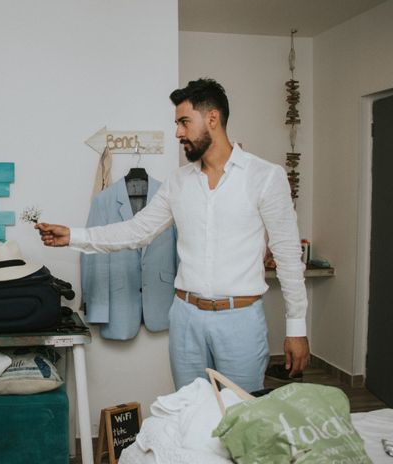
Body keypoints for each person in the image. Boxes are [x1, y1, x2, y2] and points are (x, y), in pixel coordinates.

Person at [36, 78, 310, 392]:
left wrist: (296, 329)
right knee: (188, 415)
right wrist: (72, 236)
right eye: (176, 123)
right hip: (185, 319)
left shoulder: (265, 176)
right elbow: (137, 231)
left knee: (240, 421)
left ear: (212, 119)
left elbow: (288, 257)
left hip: (241, 322)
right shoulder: (178, 182)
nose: (178, 132)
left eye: (183, 122)